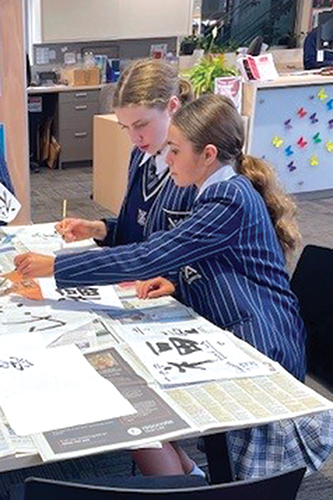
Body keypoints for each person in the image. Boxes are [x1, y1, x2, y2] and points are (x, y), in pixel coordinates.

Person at [15, 94, 333, 479]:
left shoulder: (227, 198)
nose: (167, 160)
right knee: (132, 387)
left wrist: (57, 266)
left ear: (208, 154)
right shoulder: (217, 190)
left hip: (260, 341)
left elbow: (149, 255)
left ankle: (184, 482)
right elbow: (217, 261)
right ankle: (187, 478)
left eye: (175, 150)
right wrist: (180, 279)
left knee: (132, 397)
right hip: (234, 326)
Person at [56, 58, 196, 251]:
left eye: (141, 125)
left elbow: (169, 253)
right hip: (133, 277)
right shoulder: (141, 156)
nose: (134, 138)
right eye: (125, 127)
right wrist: (96, 229)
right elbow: (132, 230)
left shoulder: (195, 172)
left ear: (172, 107)